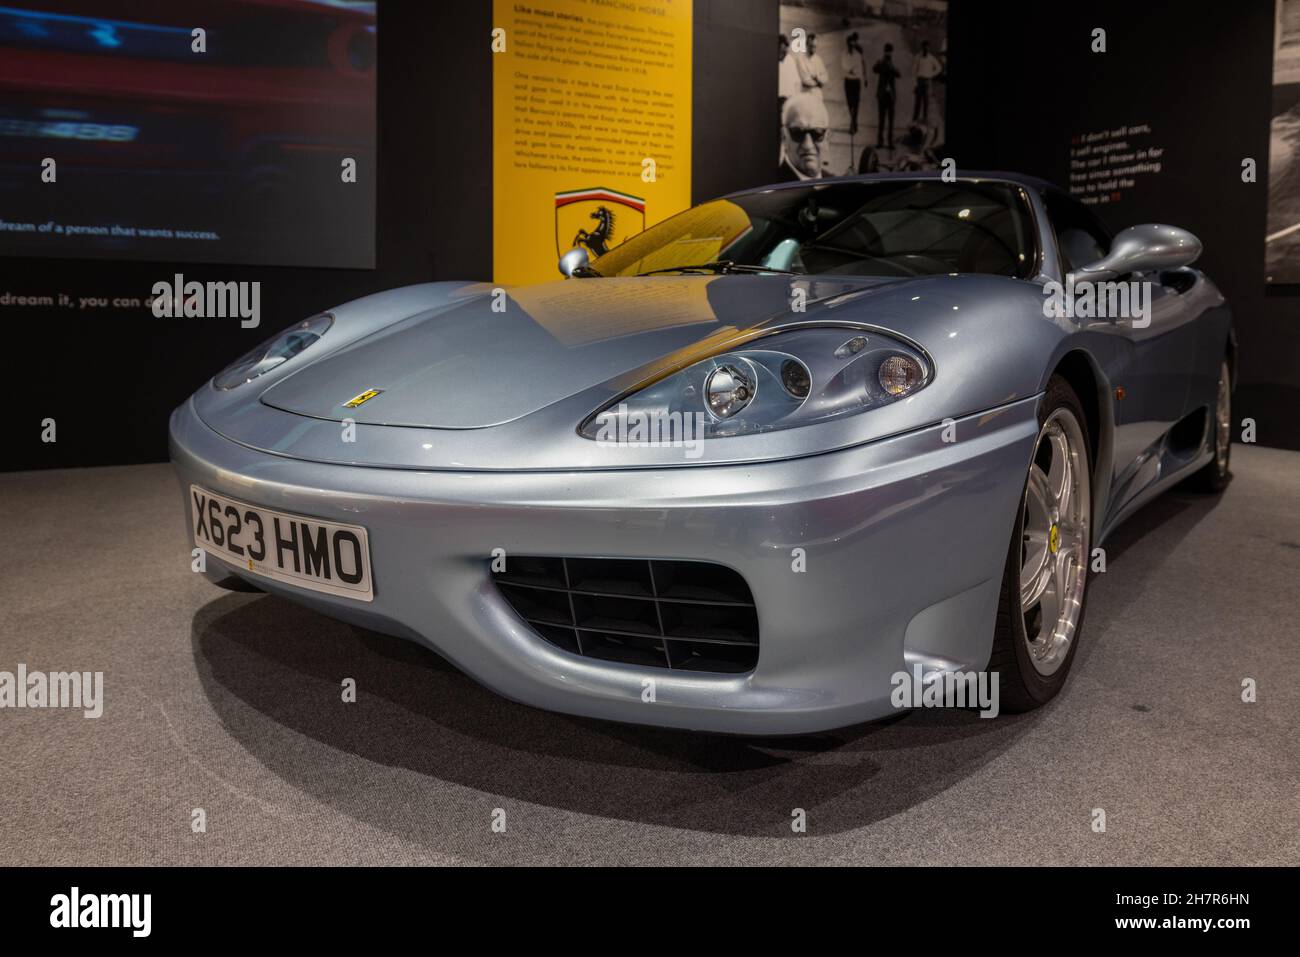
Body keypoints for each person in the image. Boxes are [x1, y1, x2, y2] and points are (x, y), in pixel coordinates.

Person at [778, 92, 830, 181]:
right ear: (784, 137)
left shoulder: (836, 186)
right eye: (798, 133)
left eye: (817, 132)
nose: (808, 145)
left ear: (827, 138)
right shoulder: (771, 187)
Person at [872, 42, 901, 148]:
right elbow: (874, 69)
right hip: (882, 95)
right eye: (887, 51)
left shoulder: (892, 64)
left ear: (892, 53)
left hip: (891, 95)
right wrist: (880, 62)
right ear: (884, 52)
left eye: (889, 52)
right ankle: (880, 141)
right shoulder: (881, 62)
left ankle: (890, 142)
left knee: (891, 120)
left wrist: (891, 66)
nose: (888, 54)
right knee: (882, 119)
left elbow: (899, 74)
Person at [841, 32, 866, 136]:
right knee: (849, 103)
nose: (851, 46)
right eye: (849, 44)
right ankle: (854, 122)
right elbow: (844, 66)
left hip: (856, 81)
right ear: (847, 44)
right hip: (848, 81)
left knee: (856, 104)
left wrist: (851, 69)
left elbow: (858, 67)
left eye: (852, 44)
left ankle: (853, 124)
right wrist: (851, 69)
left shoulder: (858, 55)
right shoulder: (844, 54)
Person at [913, 39, 942, 123]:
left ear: (929, 48)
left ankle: (925, 124)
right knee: (917, 103)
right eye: (924, 48)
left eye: (927, 48)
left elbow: (939, 68)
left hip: (928, 82)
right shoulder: (918, 57)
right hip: (919, 81)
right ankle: (914, 123)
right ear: (922, 48)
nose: (926, 49)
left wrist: (931, 74)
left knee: (926, 104)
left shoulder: (931, 58)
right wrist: (916, 81)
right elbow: (914, 70)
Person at [795, 33, 828, 98]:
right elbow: (805, 79)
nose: (813, 49)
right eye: (811, 46)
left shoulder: (818, 59)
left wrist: (817, 79)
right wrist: (819, 82)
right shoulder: (800, 60)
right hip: (806, 93)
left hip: (818, 94)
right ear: (806, 45)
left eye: (815, 46)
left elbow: (825, 77)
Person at [778, 34, 801, 114]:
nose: (784, 55)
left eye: (786, 52)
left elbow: (797, 82)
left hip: (789, 101)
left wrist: (795, 99)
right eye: (782, 52)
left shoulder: (790, 60)